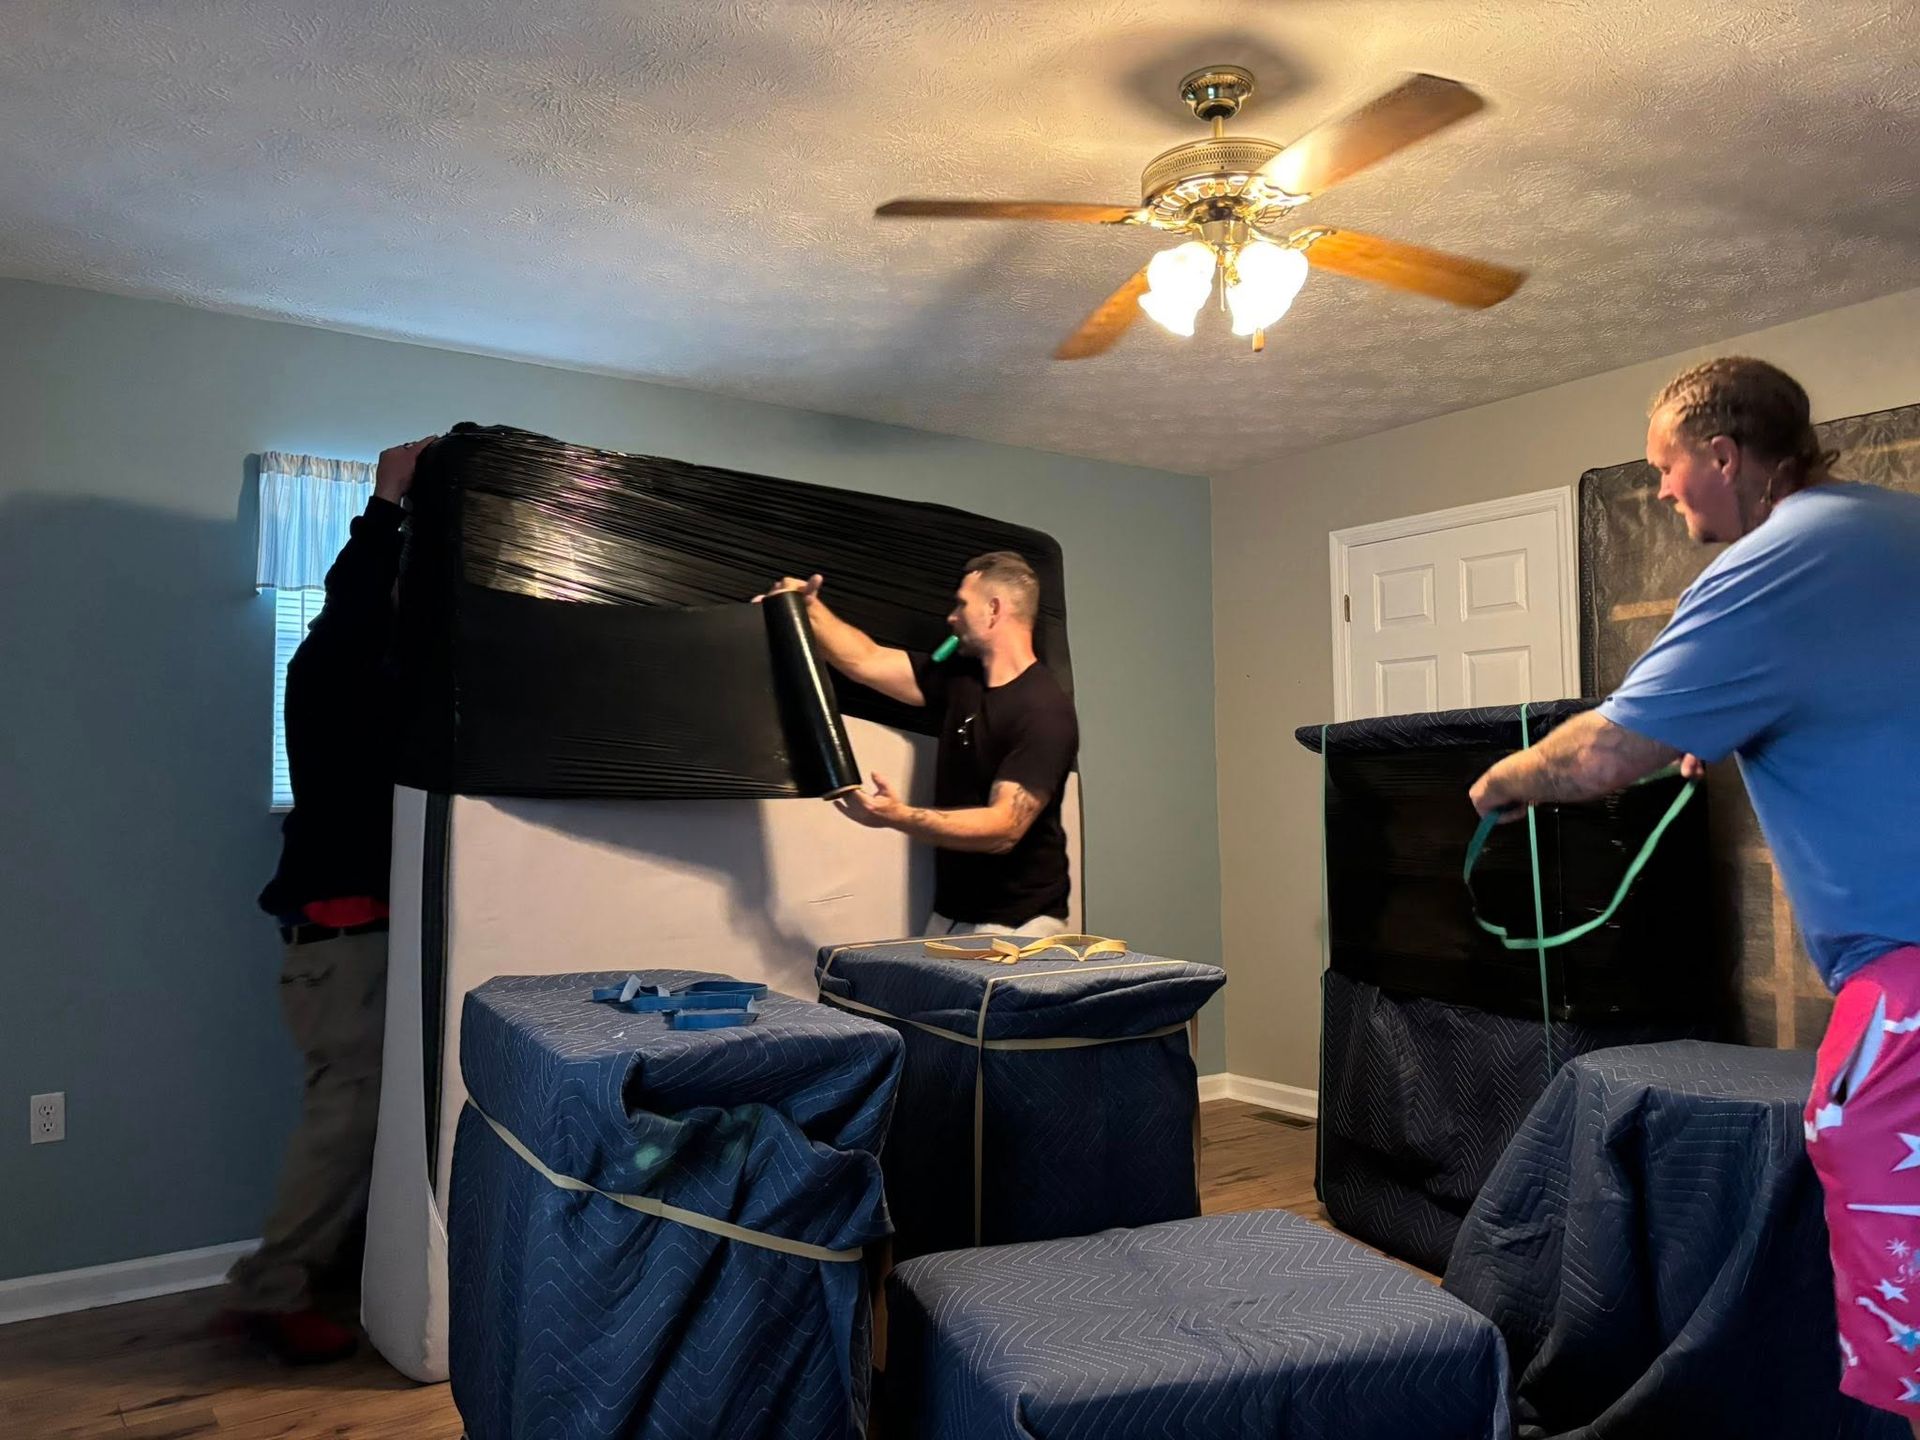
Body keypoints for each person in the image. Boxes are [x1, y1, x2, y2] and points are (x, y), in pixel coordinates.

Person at [1468, 356, 1920, 1426]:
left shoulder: (1773, 561)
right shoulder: (1892, 531)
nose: (1664, 490)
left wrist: (1502, 779)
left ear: (1723, 455)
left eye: (1667, 466)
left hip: (1909, 984)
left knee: (1895, 1256)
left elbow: (1599, 756)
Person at [224, 435, 435, 1363]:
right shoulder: (334, 660)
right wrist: (387, 501)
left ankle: (323, 1277)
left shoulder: (374, 680)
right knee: (344, 1116)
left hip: (355, 935)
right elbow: (356, 606)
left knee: (360, 1117)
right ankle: (274, 1291)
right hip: (342, 938)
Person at [757, 552, 1079, 938]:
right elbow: (865, 660)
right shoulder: (960, 679)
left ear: (994, 609)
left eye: (962, 604)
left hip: (1020, 927)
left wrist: (896, 816)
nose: (951, 617)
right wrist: (806, 607)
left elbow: (1003, 828)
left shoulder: (1044, 710)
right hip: (953, 915)